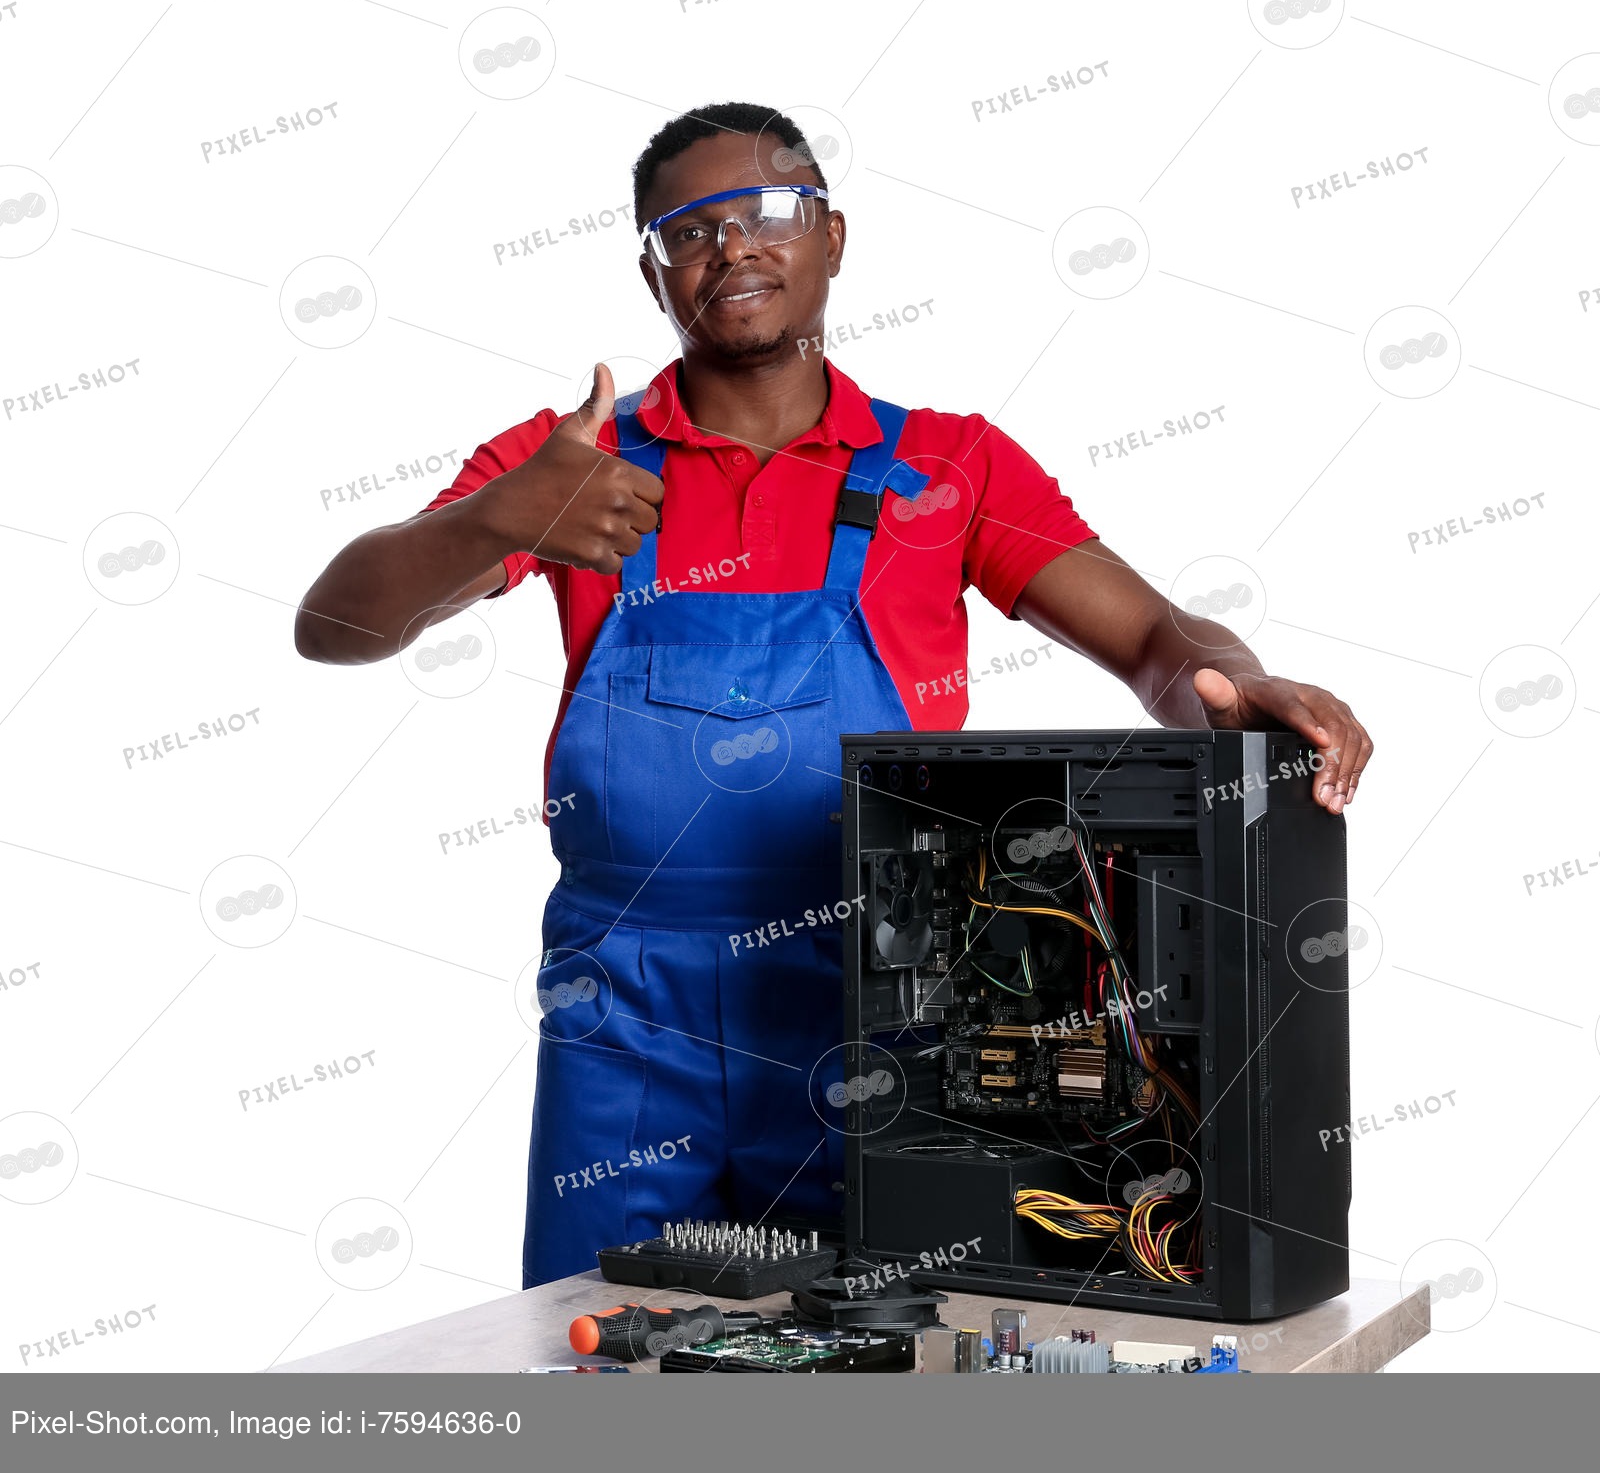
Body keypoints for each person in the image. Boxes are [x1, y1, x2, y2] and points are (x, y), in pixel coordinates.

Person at [295, 101, 1374, 1290]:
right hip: (624, 1014)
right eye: (687, 230)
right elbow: (336, 627)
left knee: (881, 1346)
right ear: (653, 273)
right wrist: (499, 519)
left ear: (833, 236)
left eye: (766, 213)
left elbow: (1159, 647)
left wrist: (1243, 688)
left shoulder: (947, 467)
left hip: (881, 1001)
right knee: (590, 1346)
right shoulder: (574, 464)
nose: (731, 249)